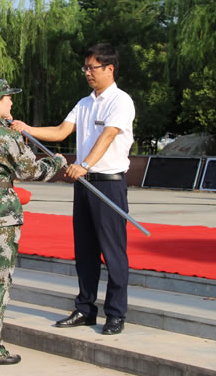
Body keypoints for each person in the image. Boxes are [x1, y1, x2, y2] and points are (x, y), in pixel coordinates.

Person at [11, 43, 135, 335]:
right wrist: (26, 128)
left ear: (109, 69)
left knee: (113, 252)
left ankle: (116, 313)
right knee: (85, 251)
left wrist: (86, 164)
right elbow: (60, 131)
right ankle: (85, 308)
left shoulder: (121, 101)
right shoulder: (85, 103)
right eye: (86, 68)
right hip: (84, 187)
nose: (88, 73)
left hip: (108, 185)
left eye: (93, 68)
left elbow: (108, 135)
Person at [0, 78, 66, 365]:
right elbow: (30, 171)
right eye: (7, 98)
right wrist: (56, 163)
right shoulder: (3, 135)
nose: (11, 102)